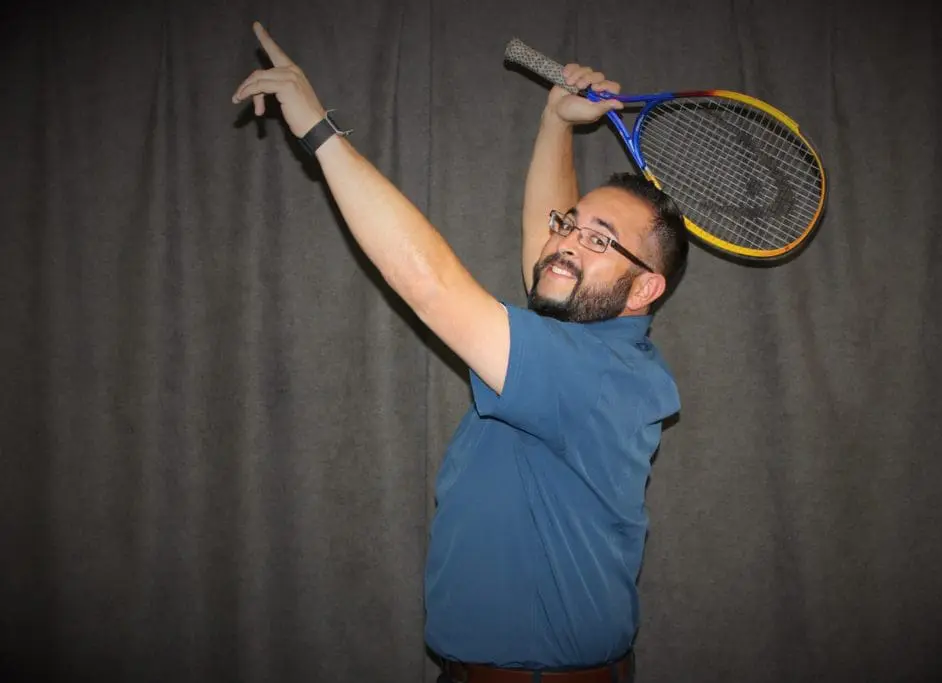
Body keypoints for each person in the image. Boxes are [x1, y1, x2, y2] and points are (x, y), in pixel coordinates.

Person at [233, 21, 688, 683]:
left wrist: (319, 133)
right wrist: (557, 120)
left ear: (646, 287)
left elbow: (430, 285)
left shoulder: (593, 373)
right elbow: (547, 246)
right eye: (572, 225)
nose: (565, 242)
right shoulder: (593, 349)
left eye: (600, 240)